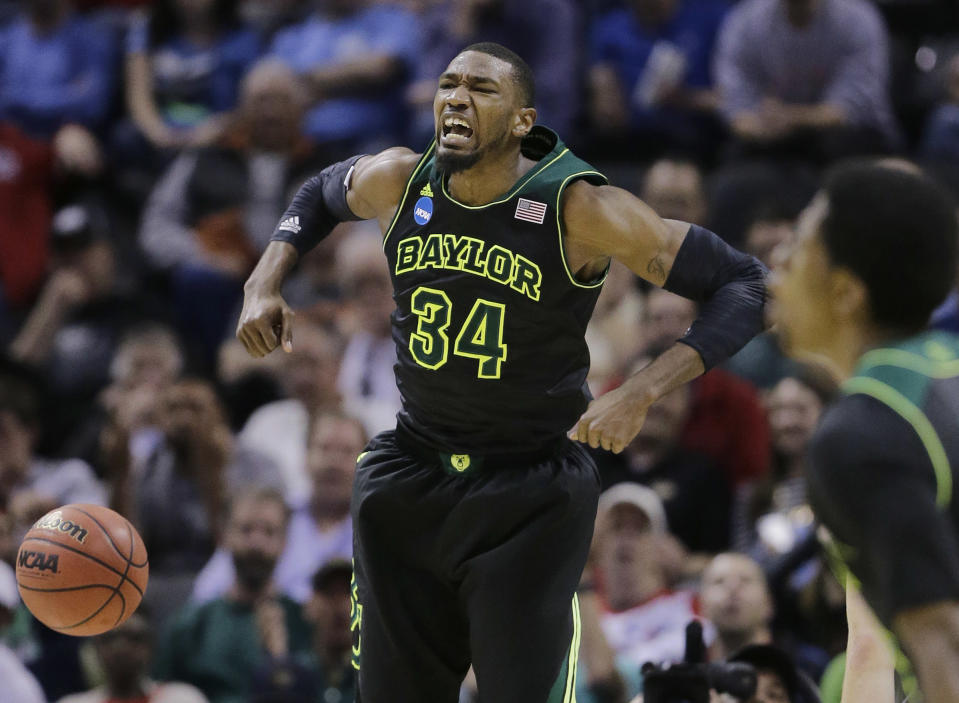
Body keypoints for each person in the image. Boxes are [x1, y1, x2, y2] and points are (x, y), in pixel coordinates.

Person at [236, 42, 767, 702]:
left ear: (522, 120)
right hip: (410, 474)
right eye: (447, 85)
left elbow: (745, 284)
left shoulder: (578, 207)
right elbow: (319, 192)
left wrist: (640, 388)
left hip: (529, 489)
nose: (456, 97)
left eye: (481, 89)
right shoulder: (400, 178)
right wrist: (265, 279)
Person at [771, 162, 959, 703]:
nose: (777, 261)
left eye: (800, 245)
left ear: (846, 293)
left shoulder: (861, 434)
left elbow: (943, 646)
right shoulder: (941, 371)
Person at [153, 487, 313, 703]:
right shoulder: (191, 624)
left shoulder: (305, 621)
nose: (257, 543)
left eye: (269, 531)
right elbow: (161, 692)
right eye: (246, 530)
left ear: (285, 542)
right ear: (224, 536)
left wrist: (280, 660)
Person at [56, 610, 209, 703]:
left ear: (151, 646)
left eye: (134, 638)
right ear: (96, 649)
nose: (121, 647)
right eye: (110, 638)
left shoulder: (183, 698)